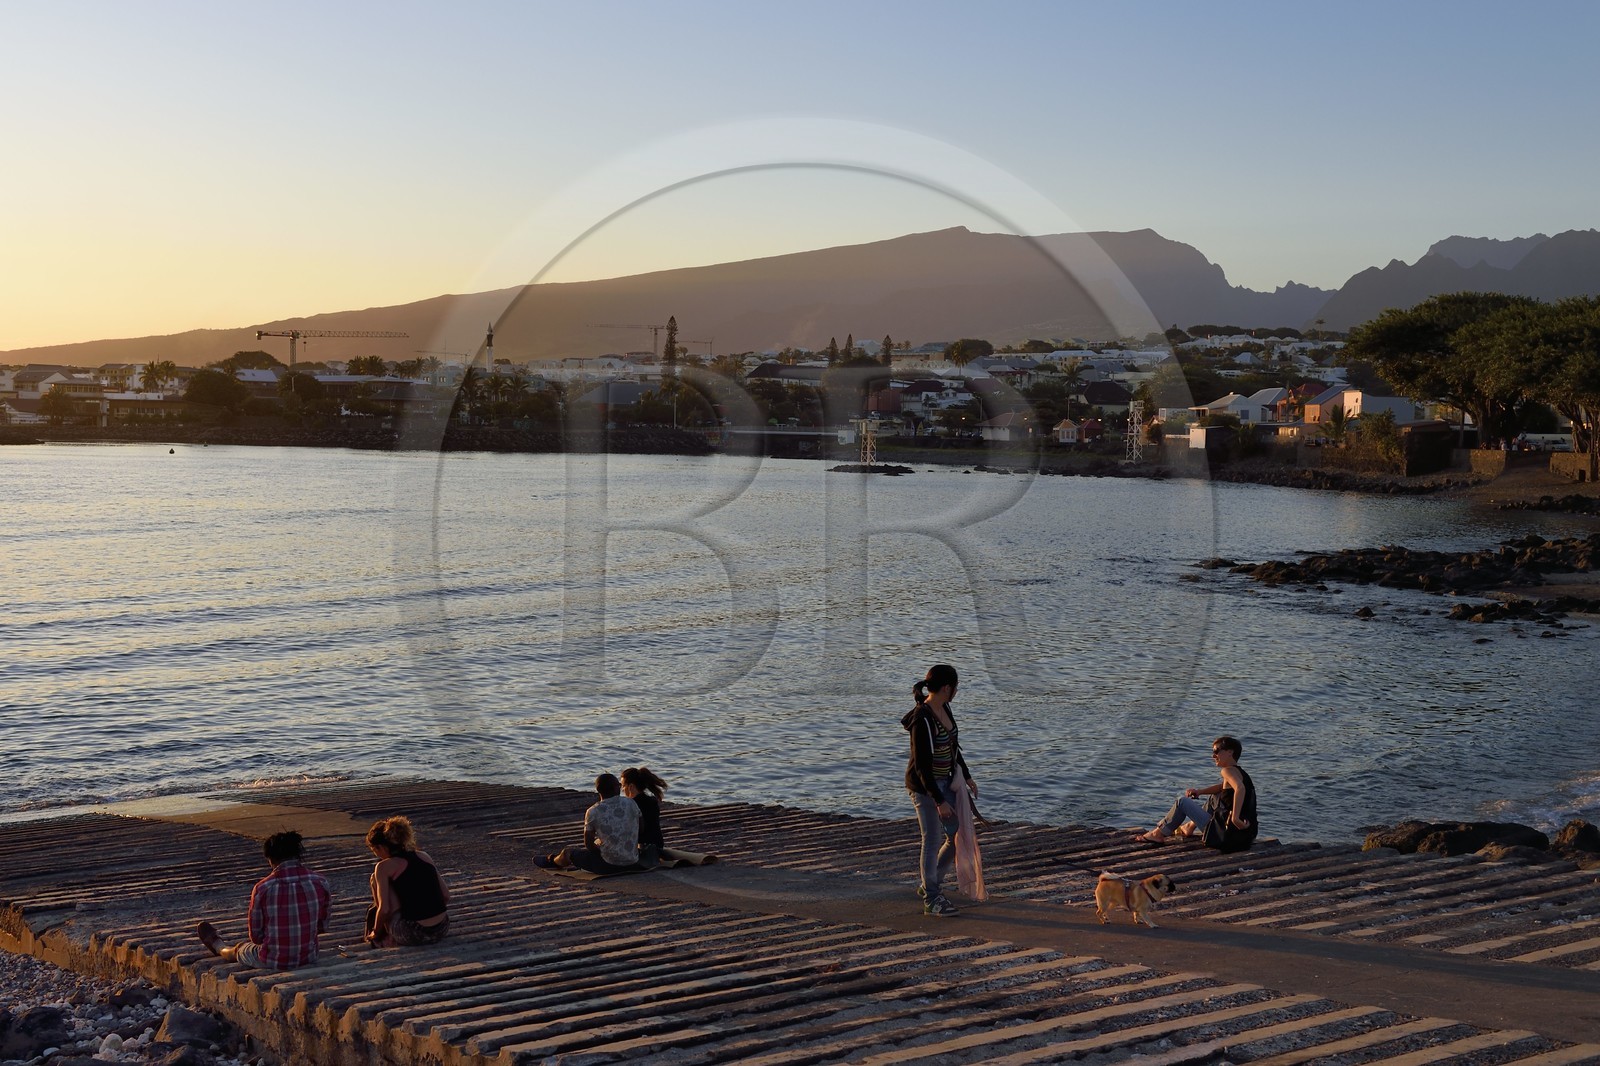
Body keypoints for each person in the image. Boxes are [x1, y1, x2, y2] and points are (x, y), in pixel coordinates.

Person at [902, 663, 984, 916]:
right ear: (948, 688)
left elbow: (952, 747)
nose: (956, 692)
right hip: (925, 787)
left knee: (956, 834)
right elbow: (922, 768)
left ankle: (930, 883)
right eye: (956, 687)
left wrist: (967, 776)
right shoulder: (922, 719)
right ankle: (932, 898)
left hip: (945, 781)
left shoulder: (945, 708)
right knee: (932, 838)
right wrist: (939, 801)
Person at [196, 830, 330, 968]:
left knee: (239, 950)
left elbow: (256, 937)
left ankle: (219, 947)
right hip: (309, 956)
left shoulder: (263, 888)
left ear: (270, 859)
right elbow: (322, 927)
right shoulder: (320, 882)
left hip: (272, 960)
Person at [1135, 735, 1257, 849]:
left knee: (1182, 802)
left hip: (1225, 835)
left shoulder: (1227, 771)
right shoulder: (1241, 773)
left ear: (1230, 752)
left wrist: (1235, 819)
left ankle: (1157, 834)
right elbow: (1222, 788)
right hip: (1245, 837)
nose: (1213, 756)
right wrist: (1200, 792)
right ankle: (1189, 826)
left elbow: (1240, 788)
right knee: (1216, 796)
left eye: (1216, 751)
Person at [364, 815, 450, 947]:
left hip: (413, 933)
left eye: (375, 850)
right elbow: (446, 896)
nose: (377, 855)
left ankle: (384, 936)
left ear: (381, 847)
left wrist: (375, 932)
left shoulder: (383, 867)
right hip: (442, 929)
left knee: (374, 879)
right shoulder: (424, 856)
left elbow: (385, 909)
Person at [537, 773, 641, 874]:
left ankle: (552, 861)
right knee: (599, 842)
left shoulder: (593, 811)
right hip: (632, 861)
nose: (620, 787)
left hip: (607, 866)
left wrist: (601, 852)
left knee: (567, 852)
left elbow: (588, 844)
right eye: (619, 785)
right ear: (615, 788)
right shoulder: (631, 803)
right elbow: (641, 827)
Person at [622, 766, 668, 867]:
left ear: (631, 787)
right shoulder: (652, 801)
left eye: (623, 786)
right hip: (658, 844)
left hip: (642, 847)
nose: (622, 789)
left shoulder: (630, 804)